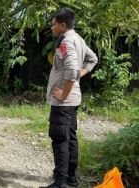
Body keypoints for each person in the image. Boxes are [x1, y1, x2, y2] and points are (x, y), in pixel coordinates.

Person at [41, 8, 98, 188]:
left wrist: (64, 94)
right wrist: (80, 74)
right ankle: (71, 179)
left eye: (53, 24)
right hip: (73, 100)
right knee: (70, 138)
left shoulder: (67, 41)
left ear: (62, 25)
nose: (51, 27)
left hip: (64, 101)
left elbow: (72, 70)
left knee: (60, 139)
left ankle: (61, 182)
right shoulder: (78, 39)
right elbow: (92, 59)